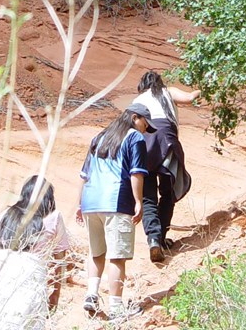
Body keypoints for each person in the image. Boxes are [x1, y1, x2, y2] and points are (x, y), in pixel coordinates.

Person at [76, 103, 156, 322]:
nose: (144, 131)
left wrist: (79, 204)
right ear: (134, 117)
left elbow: (85, 174)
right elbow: (136, 172)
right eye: (144, 124)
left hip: (91, 202)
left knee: (96, 252)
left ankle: (91, 294)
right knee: (117, 256)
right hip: (117, 202)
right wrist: (138, 201)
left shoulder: (99, 137)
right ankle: (116, 308)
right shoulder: (134, 138)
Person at [133, 71, 199, 263]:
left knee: (148, 196)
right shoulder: (167, 92)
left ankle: (153, 238)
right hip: (167, 143)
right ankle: (161, 237)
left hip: (143, 143)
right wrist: (204, 88)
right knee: (168, 192)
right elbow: (189, 97)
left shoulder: (139, 99)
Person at [0, 175, 70, 329]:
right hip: (32, 276)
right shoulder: (53, 217)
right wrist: (56, 293)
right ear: (49, 196)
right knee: (29, 321)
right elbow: (60, 257)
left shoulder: (7, 214)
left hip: (2, 270)